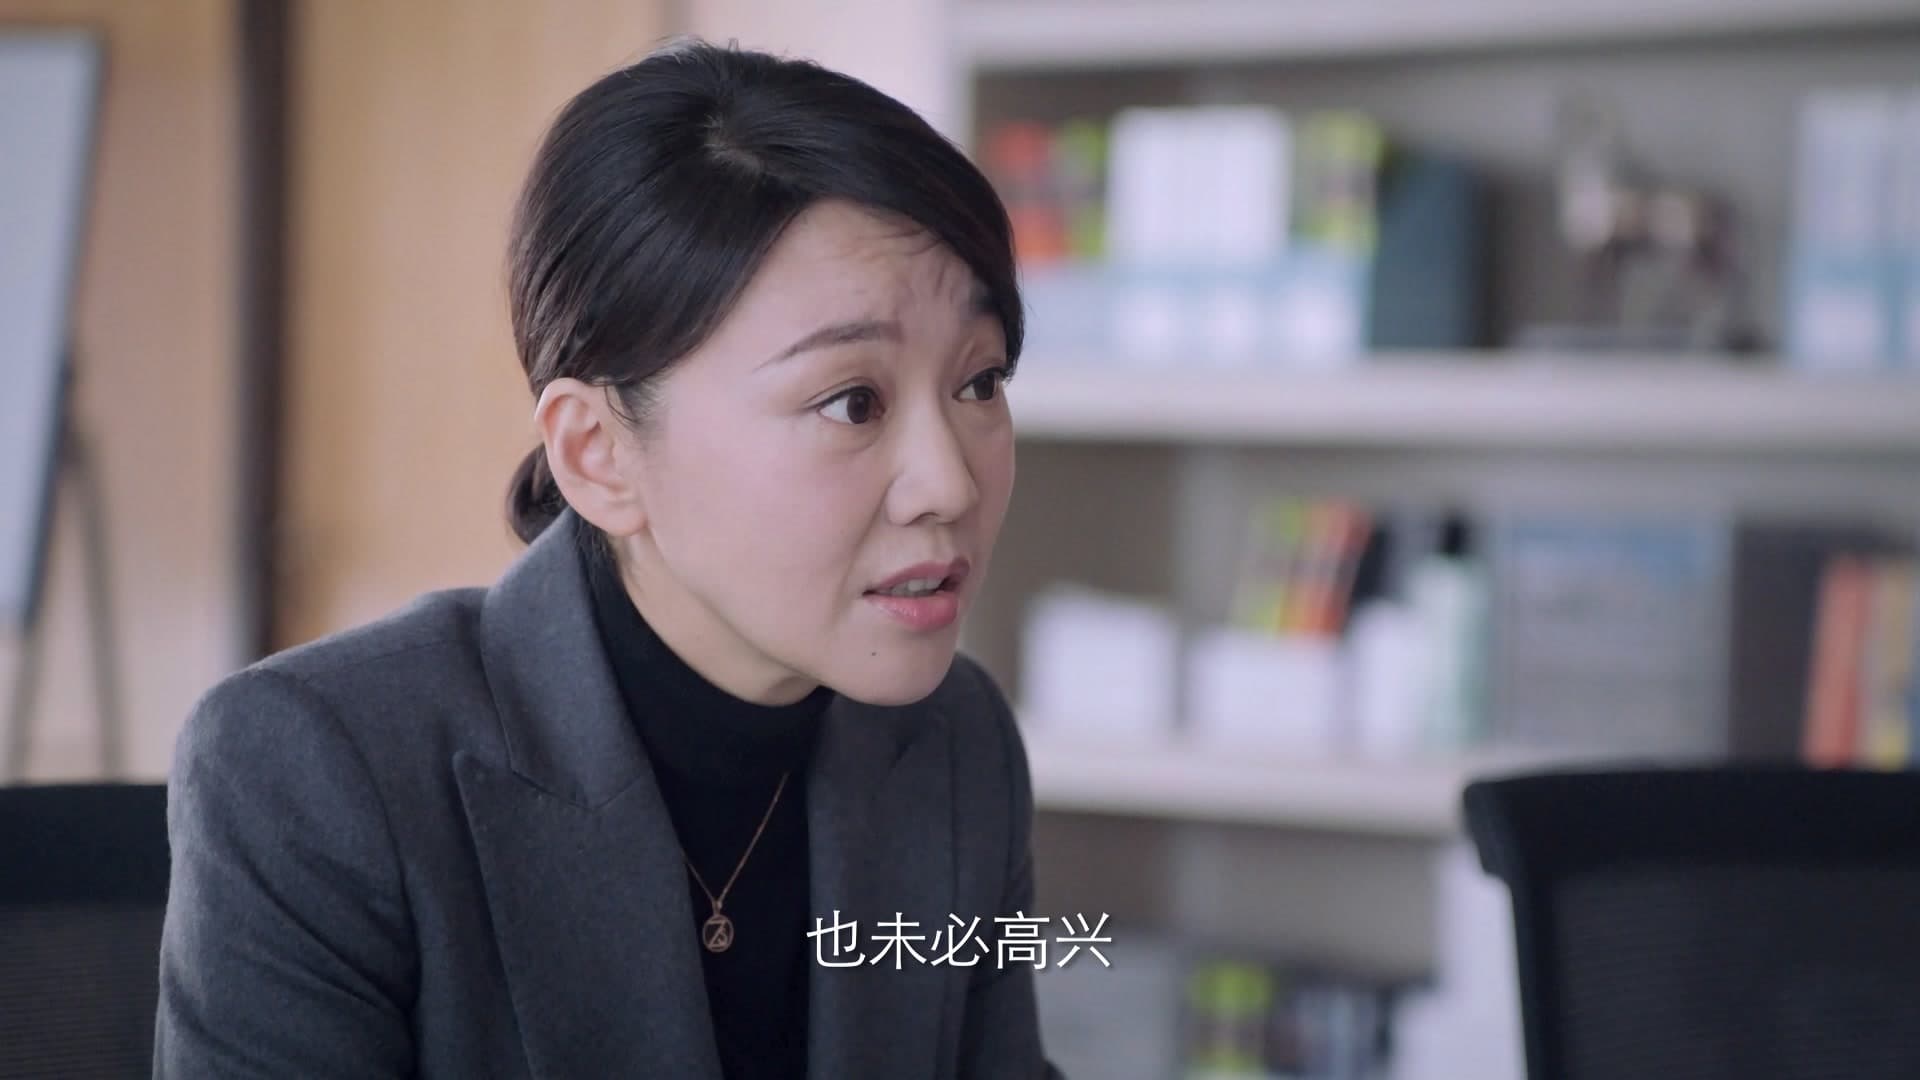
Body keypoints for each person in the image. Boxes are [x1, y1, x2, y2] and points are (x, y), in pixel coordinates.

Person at [155, 38, 1063, 1079]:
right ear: (598, 454)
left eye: (980, 381)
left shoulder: (953, 740)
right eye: (852, 401)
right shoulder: (316, 769)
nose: (949, 483)